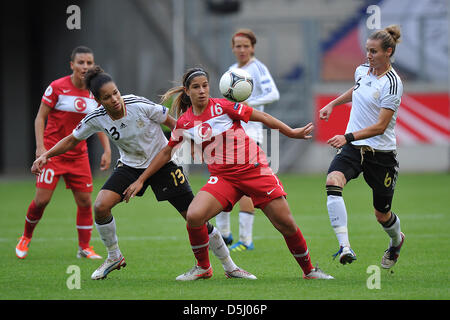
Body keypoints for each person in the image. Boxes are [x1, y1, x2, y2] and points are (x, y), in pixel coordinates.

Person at [31, 65, 255, 281]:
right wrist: (45, 155)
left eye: (116, 93)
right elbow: (72, 139)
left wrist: (195, 143)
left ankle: (230, 267)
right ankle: (114, 256)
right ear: (98, 101)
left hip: (163, 163)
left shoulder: (138, 104)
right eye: (107, 97)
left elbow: (174, 123)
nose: (115, 99)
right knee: (100, 206)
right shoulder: (95, 117)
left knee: (194, 217)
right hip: (129, 166)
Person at [123, 67, 333, 280]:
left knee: (286, 224)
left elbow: (261, 116)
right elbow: (167, 151)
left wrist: (290, 132)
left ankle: (310, 271)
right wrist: (142, 179)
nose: (202, 91)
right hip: (224, 178)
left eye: (205, 86)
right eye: (196, 87)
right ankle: (203, 268)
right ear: (187, 91)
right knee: (194, 216)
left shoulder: (223, 106)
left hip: (254, 170)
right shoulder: (185, 122)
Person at [319, 25, 405, 269]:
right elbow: (357, 90)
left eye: (374, 51)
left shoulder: (393, 83)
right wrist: (333, 104)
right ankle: (345, 247)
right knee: (333, 181)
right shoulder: (362, 71)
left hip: (381, 155)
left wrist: (346, 136)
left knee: (382, 215)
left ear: (388, 52)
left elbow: (380, 127)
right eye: (367, 50)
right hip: (354, 148)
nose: (368, 55)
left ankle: (396, 241)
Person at [16, 46, 111, 260]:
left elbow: (98, 123)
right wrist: (41, 148)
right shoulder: (57, 87)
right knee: (41, 200)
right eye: (81, 62)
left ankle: (84, 248)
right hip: (53, 153)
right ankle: (25, 237)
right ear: (72, 65)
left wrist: (106, 149)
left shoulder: (94, 92)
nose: (85, 67)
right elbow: (40, 117)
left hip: (78, 155)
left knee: (86, 202)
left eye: (89, 63)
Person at [215, 28, 280, 252]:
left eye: (246, 46)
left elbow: (274, 94)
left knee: (244, 187)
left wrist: (251, 104)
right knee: (222, 178)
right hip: (230, 134)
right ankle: (224, 234)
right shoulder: (232, 71)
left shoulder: (258, 68)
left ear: (253, 47)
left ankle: (246, 239)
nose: (242, 50)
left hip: (251, 135)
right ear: (232, 48)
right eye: (238, 46)